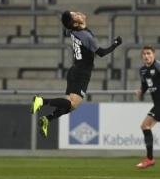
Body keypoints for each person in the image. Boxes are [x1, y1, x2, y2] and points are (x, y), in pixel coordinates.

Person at [30, 10, 122, 138]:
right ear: (75, 24)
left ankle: (47, 119)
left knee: (70, 105)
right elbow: (101, 53)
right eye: (75, 15)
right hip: (82, 73)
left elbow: (65, 30)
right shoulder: (86, 36)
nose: (78, 13)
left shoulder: (72, 31)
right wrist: (116, 44)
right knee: (73, 104)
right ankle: (41, 101)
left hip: (74, 70)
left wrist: (70, 21)